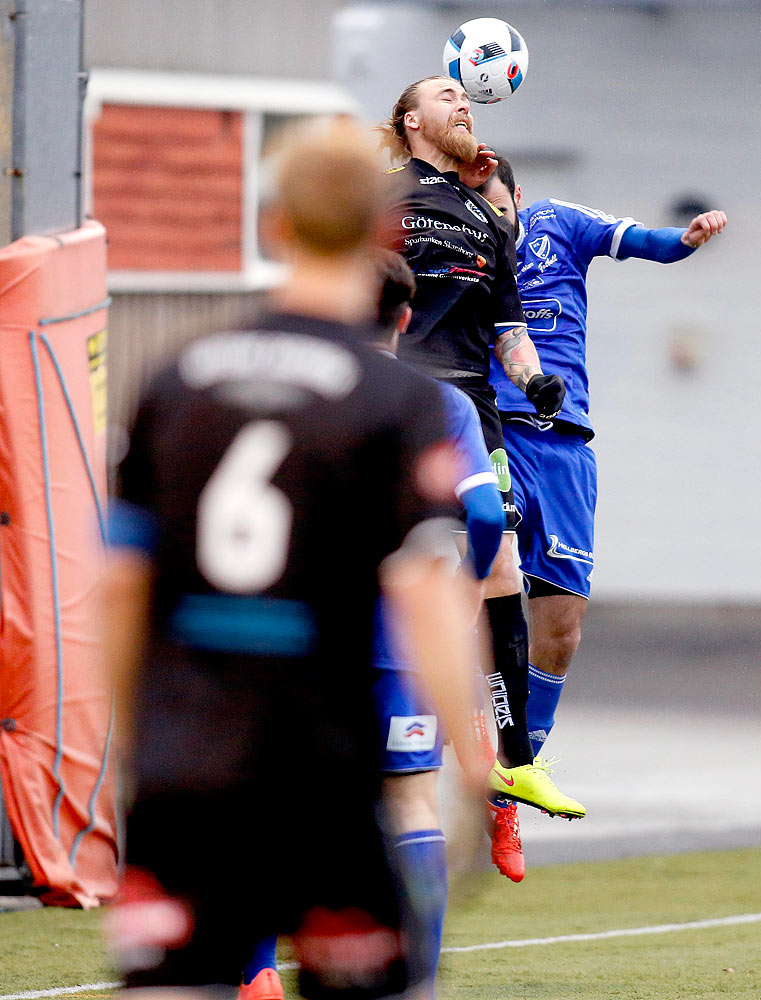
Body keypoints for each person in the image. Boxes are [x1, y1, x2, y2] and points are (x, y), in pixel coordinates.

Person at [102, 118, 485, 1000]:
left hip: (189, 771)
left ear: (274, 223)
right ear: (382, 231)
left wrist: (136, 750)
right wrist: (472, 759)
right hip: (324, 774)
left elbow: (119, 585)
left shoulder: (177, 378)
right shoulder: (397, 400)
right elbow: (428, 590)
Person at [238, 252, 505, 1000]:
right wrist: (469, 584)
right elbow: (484, 511)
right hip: (395, 639)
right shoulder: (432, 400)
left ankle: (255, 973)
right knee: (410, 802)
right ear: (404, 316)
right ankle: (411, 973)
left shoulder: (280, 390)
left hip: (288, 635)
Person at [478, 157, 727, 879]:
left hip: (565, 449)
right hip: (490, 430)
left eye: (500, 208)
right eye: (480, 209)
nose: (493, 220)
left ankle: (511, 781)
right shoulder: (461, 246)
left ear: (518, 198)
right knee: (474, 589)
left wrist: (686, 238)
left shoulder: (562, 224)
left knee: (560, 627)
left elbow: (650, 244)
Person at [376, 77, 584, 824]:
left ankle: (514, 762)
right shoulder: (385, 191)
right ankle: (393, 713)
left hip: (475, 408)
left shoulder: (486, 218)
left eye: (468, 96)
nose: (462, 103)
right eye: (443, 95)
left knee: (498, 564)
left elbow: (508, 329)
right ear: (410, 121)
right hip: (401, 392)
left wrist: (535, 381)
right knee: (398, 556)